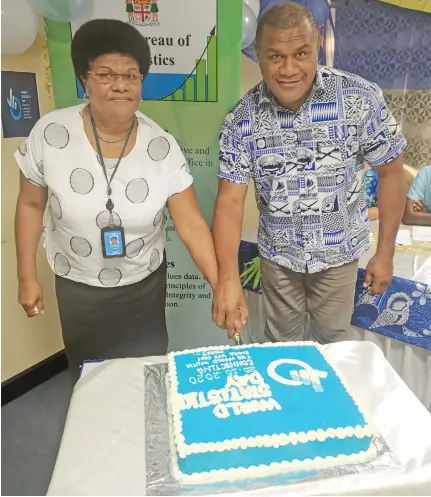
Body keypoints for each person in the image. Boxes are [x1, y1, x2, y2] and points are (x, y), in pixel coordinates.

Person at [14, 19, 218, 376]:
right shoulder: (49, 134)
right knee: (89, 376)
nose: (120, 85)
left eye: (131, 75)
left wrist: (221, 283)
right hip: (78, 285)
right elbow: (30, 205)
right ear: (84, 81)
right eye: (106, 74)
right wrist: (26, 276)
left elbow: (190, 222)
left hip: (143, 286)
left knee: (147, 372)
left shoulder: (162, 146)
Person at [212, 3, 406, 343]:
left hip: (339, 256)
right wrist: (227, 278)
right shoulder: (241, 120)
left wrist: (385, 251)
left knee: (334, 350)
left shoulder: (358, 98)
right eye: (275, 56)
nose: (289, 69)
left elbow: (392, 173)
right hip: (278, 259)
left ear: (317, 43)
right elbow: (229, 202)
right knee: (279, 351)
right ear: (257, 53)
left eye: (300, 53)